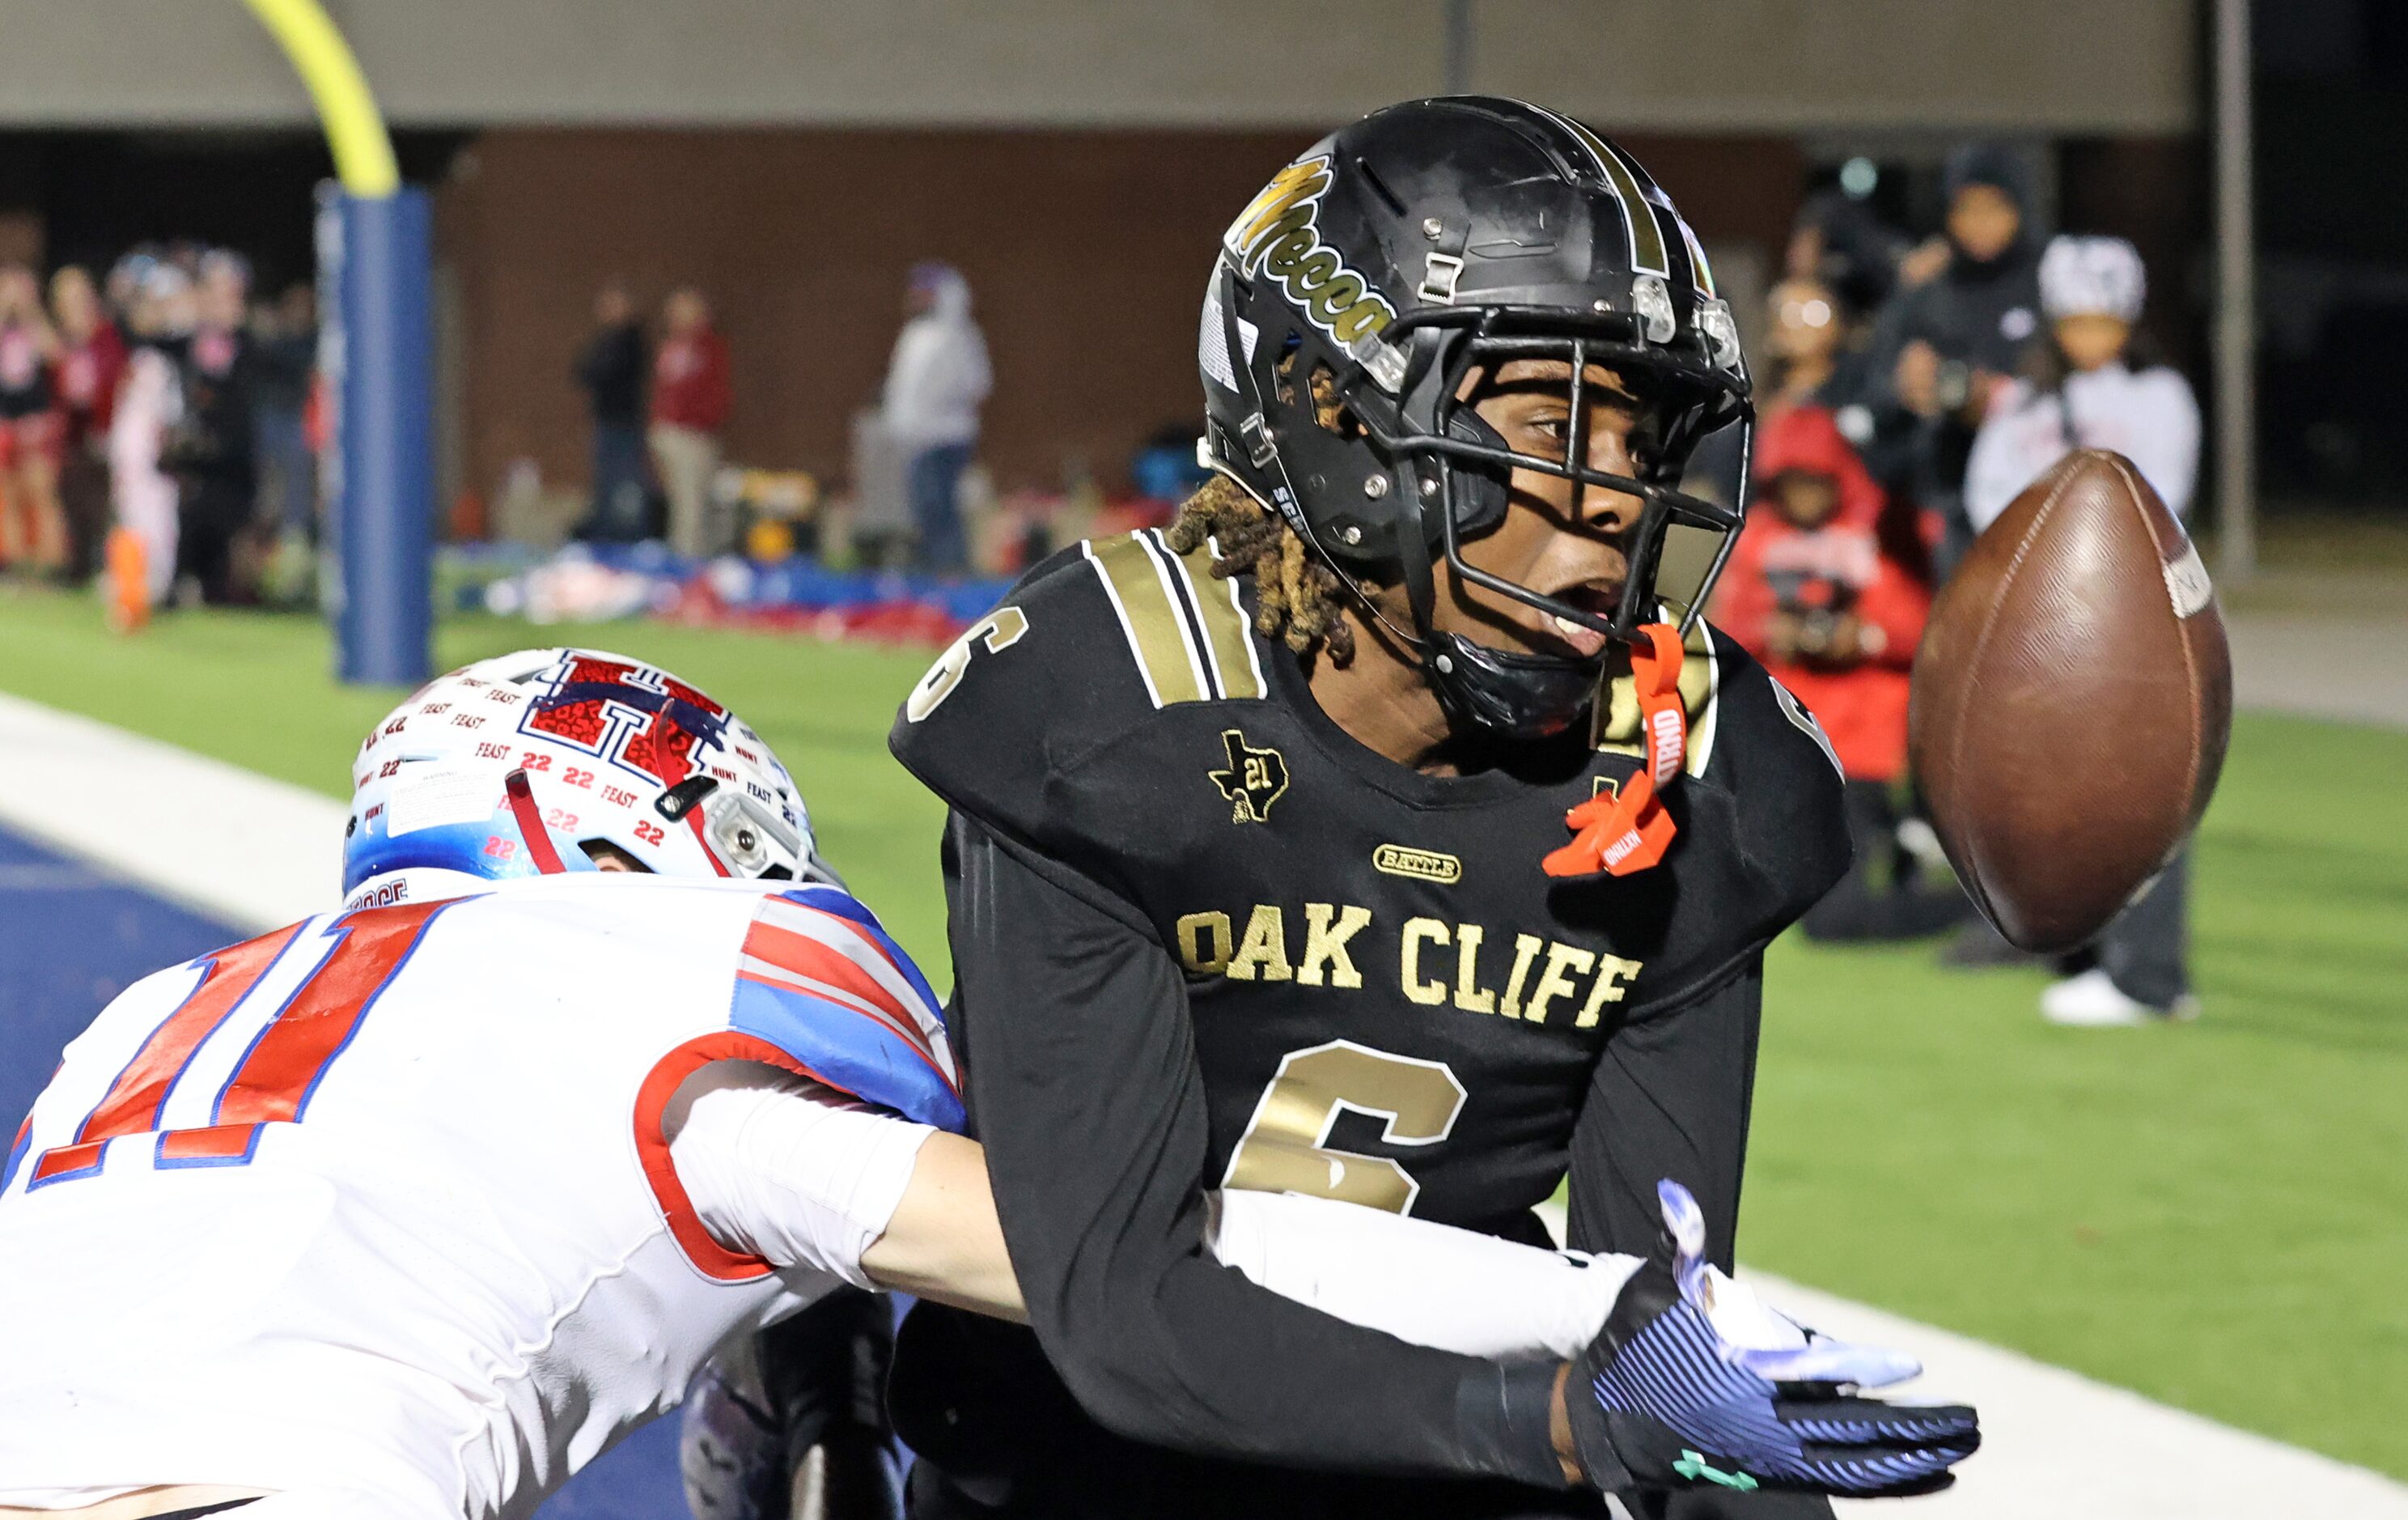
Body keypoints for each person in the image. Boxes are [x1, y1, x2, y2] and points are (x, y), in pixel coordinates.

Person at [0, 646, 1943, 1520]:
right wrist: (1605, 1317)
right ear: (640, 833)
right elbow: (1111, 1262)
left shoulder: (155, 1016)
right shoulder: (673, 978)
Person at [880, 98, 1976, 1518]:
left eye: (1640, 446)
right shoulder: (1114, 712)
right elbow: (1118, 1303)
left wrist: (1683, 1441)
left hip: (1456, 1457)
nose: (1613, 502)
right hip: (1079, 1447)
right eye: (1547, 423)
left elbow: (1647, 1303)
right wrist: (1570, 1421)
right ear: (1331, 414)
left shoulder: (1691, 764)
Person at [1963, 235, 2202, 1025]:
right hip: (2042, 626)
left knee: (2144, 784)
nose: (2088, 335)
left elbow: (2159, 501)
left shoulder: (2159, 396)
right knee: (2054, 788)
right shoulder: (2022, 401)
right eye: (2075, 319)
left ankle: (2149, 977)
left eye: (2103, 320)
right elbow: (1986, 495)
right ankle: (2073, 946)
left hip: (2134, 621)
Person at [1713, 408, 1961, 942]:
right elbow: (1730, 627)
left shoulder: (1877, 531)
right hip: (1787, 740)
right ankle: (1912, 859)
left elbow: (1926, 628)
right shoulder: (1760, 533)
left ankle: (1963, 908)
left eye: (1815, 481)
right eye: (1791, 483)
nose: (1804, 497)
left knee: (1832, 919)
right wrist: (1770, 631)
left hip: (1861, 743)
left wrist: (1863, 636)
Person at [1858, 144, 2045, 575]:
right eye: (1966, 208)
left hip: (2036, 498)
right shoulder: (1928, 292)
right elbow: (1874, 393)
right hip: (1947, 496)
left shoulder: (2047, 283)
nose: (1979, 223)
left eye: (1994, 207)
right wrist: (1905, 387)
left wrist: (1998, 396)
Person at [880, 263, 990, 574]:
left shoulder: (959, 335)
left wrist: (939, 402)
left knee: (941, 506)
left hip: (946, 436)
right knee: (924, 509)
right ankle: (934, 569)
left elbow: (976, 384)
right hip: (917, 438)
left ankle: (951, 570)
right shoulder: (915, 334)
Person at [167, 250, 260, 604]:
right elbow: (146, 336)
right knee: (192, 519)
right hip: (198, 448)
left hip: (234, 450)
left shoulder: (246, 338)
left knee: (230, 526)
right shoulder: (193, 336)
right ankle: (182, 586)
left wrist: (237, 325)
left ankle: (227, 591)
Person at [108, 265, 192, 610]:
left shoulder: (175, 350)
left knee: (159, 521)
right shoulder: (135, 349)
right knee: (137, 520)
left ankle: (150, 590)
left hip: (158, 452)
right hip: (136, 450)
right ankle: (133, 590)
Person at [48, 267, 127, 584]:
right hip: (71, 438)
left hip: (106, 434)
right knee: (72, 504)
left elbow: (115, 379)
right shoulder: (62, 341)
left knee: (105, 508)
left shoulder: (107, 336)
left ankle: (110, 567)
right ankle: (78, 569)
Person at [650, 287, 733, 560]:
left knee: (696, 504)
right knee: (684, 503)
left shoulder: (709, 348)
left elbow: (717, 392)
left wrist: (706, 422)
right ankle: (684, 563)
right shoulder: (672, 346)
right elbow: (664, 390)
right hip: (671, 432)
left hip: (696, 433)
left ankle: (694, 561)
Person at [0, 265, 66, 575]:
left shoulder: (35, 325)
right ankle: (17, 564)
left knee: (40, 492)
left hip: (35, 421)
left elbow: (54, 354)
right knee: (7, 495)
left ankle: (49, 565)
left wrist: (28, 311)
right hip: (4, 420)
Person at [574, 282, 651, 543]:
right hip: (606, 420)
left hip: (625, 422)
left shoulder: (631, 340)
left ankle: (631, 535)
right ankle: (605, 533)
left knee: (627, 482)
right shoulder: (605, 340)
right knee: (605, 481)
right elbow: (583, 371)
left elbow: (607, 372)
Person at [248, 282, 318, 551]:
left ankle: (293, 544)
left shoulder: (308, 342)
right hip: (268, 418)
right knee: (266, 487)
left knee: (297, 487)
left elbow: (294, 361)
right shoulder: (268, 342)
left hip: (295, 420)